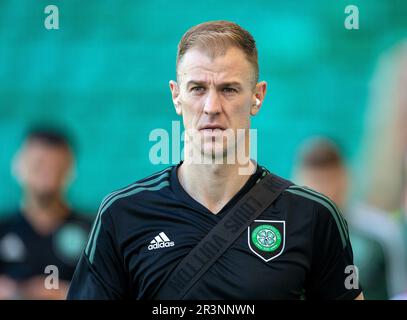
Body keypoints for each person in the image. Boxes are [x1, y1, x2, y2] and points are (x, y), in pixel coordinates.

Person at [67, 20, 363, 300]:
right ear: (176, 96)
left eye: (228, 89)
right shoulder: (122, 215)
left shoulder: (312, 216)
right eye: (197, 88)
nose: (211, 107)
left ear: (257, 97)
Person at [0, 127, 91, 299]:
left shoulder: (95, 232)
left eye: (56, 166)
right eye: (38, 164)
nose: (46, 174)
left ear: (70, 169)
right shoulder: (3, 229)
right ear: (18, 166)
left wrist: (66, 293)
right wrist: (18, 291)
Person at [294, 137, 389, 299]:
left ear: (346, 177)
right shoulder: (285, 233)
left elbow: (399, 291)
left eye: (330, 180)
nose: (325, 191)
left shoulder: (381, 232)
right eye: (316, 182)